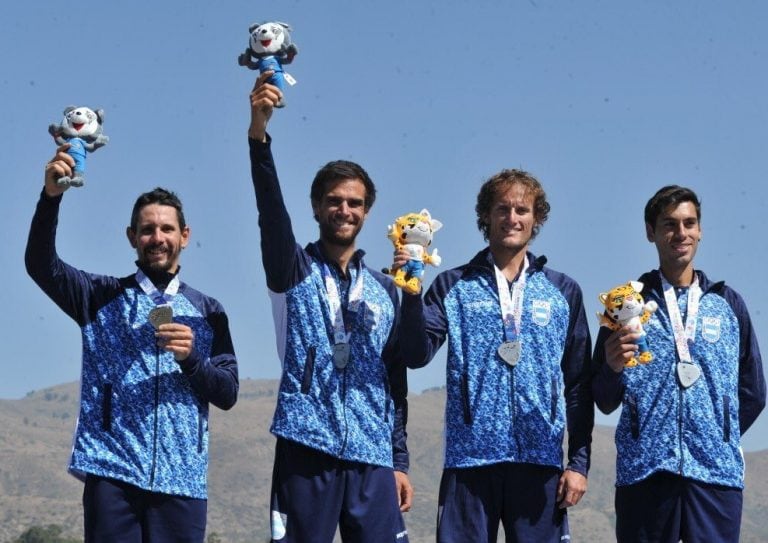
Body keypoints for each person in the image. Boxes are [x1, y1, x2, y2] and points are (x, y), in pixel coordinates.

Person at [25, 145, 239, 542]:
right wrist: (50, 198)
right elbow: (40, 264)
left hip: (182, 481)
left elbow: (227, 393)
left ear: (185, 236)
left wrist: (192, 360)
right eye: (147, 230)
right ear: (132, 237)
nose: (157, 238)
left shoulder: (209, 312)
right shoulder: (97, 296)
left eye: (167, 229)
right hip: (113, 475)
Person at [247, 72, 412, 543]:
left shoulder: (385, 289)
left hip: (371, 455)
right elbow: (269, 210)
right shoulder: (291, 270)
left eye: (355, 203)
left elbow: (394, 379)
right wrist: (259, 136)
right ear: (317, 208)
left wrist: (398, 461)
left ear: (367, 212)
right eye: (334, 201)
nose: (345, 210)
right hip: (307, 446)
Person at [398, 168, 594, 542]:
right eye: (502, 209)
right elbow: (416, 353)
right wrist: (410, 292)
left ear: (536, 219)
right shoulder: (452, 285)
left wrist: (579, 463)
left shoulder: (563, 291)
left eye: (522, 210)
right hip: (469, 462)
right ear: (485, 216)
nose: (512, 218)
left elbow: (579, 383)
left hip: (540, 464)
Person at [592, 185, 766, 543]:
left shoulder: (729, 304)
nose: (681, 233)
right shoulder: (625, 305)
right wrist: (611, 367)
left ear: (700, 230)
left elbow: (754, 391)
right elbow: (604, 399)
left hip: (715, 475)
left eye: (689, 223)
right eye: (669, 224)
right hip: (646, 472)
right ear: (650, 232)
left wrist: (718, 435)